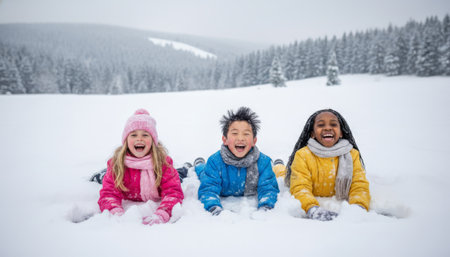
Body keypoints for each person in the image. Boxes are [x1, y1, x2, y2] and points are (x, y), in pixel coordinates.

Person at [97, 108, 184, 225]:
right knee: (102, 177)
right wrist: (115, 211)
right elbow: (108, 194)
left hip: (169, 171)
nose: (139, 138)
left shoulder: (164, 163)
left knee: (180, 174)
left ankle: (185, 168)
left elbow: (173, 192)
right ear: (126, 140)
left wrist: (163, 213)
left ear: (153, 141)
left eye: (145, 135)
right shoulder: (116, 164)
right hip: (113, 171)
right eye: (133, 135)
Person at [284, 109, 370, 221]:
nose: (328, 128)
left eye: (333, 124)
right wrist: (312, 208)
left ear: (341, 132)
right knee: (281, 172)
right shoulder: (302, 155)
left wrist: (358, 207)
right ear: (312, 133)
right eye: (321, 125)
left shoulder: (352, 155)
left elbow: (359, 185)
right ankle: (278, 164)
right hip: (301, 182)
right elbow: (300, 187)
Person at [196, 107, 280, 215]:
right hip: (209, 170)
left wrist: (266, 206)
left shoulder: (263, 162)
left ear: (254, 141)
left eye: (246, 134)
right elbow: (208, 189)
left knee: (273, 171)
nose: (240, 138)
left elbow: (269, 189)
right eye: (235, 133)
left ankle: (278, 164)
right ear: (225, 139)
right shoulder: (215, 162)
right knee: (203, 172)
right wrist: (213, 207)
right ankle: (199, 163)